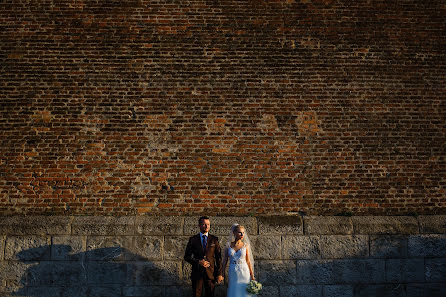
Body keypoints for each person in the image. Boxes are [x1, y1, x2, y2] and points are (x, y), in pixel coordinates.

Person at [184, 216, 224, 297]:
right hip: (197, 273)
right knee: (196, 294)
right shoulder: (193, 239)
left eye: (208, 224)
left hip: (211, 273)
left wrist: (220, 274)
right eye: (204, 224)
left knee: (210, 294)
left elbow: (218, 258)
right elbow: (187, 256)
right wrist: (198, 262)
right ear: (199, 225)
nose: (207, 226)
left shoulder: (214, 239)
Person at [222, 224, 255, 297]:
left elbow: (248, 261)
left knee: (245, 291)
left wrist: (252, 275)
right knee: (234, 290)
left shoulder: (245, 245)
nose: (242, 234)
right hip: (233, 271)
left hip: (244, 271)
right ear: (234, 233)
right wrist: (222, 273)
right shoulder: (228, 245)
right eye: (240, 232)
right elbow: (225, 261)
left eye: (243, 232)